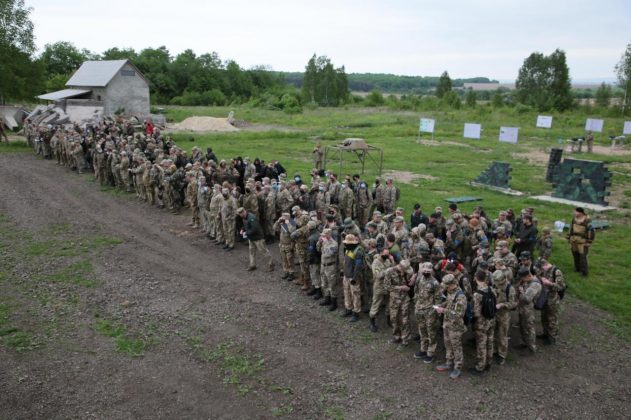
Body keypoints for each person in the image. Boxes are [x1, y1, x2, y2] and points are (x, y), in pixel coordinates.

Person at [435, 274, 467, 379]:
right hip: (447, 323)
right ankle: (448, 362)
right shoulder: (450, 292)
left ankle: (458, 367)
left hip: (456, 326)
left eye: (447, 286)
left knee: (456, 347)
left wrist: (443, 311)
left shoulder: (460, 296)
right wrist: (442, 305)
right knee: (447, 344)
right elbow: (449, 302)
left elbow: (459, 314)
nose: (445, 288)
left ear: (453, 284)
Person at [412, 262, 441, 364]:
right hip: (419, 309)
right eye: (424, 270)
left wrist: (435, 311)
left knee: (431, 332)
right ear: (422, 269)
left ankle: (430, 353)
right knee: (422, 330)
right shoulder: (419, 279)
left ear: (431, 271)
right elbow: (416, 292)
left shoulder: (435, 283)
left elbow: (438, 299)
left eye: (428, 270)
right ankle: (423, 350)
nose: (426, 272)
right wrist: (416, 304)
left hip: (430, 311)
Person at [469, 270, 496, 375]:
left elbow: (475, 312)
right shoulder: (492, 289)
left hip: (481, 323)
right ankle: (489, 363)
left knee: (481, 344)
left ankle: (480, 367)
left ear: (476, 278)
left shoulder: (477, 294)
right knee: (490, 342)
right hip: (491, 320)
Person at [383, 259, 414, 345]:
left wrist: (410, 283)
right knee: (394, 318)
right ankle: (396, 336)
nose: (405, 272)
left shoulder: (407, 271)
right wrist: (400, 288)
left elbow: (410, 282)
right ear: (400, 267)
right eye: (404, 270)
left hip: (405, 298)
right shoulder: (389, 272)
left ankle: (405, 339)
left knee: (405, 319)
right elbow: (386, 286)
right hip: (394, 299)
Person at [536, 259, 566, 345]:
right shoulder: (544, 271)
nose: (541, 271)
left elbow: (560, 287)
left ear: (545, 265)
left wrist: (549, 283)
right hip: (544, 298)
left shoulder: (556, 272)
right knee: (544, 317)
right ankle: (545, 334)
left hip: (552, 300)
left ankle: (552, 338)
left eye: (541, 268)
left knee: (552, 319)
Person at [491, 269, 516, 365]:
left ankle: (502, 355)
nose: (497, 284)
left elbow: (513, 304)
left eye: (498, 282)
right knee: (493, 333)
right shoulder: (494, 283)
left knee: (502, 335)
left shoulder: (510, 288)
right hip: (494, 313)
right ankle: (493, 351)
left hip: (503, 315)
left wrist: (502, 305)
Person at [238, 207, 274, 272]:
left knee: (264, 251)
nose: (240, 215)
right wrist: (242, 229)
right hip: (251, 238)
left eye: (241, 213)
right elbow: (246, 225)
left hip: (258, 238)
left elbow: (255, 229)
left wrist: (246, 233)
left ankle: (270, 264)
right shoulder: (244, 218)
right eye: (239, 214)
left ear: (244, 212)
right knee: (251, 252)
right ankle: (252, 265)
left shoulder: (252, 218)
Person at [517, 267, 542, 353]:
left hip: (528, 310)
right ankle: (525, 342)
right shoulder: (528, 281)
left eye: (523, 278)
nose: (522, 280)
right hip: (523, 309)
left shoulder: (535, 285)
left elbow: (527, 299)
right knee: (522, 326)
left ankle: (531, 347)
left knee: (528, 327)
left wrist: (522, 291)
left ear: (528, 276)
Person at [341, 234, 364, 322]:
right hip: (346, 276)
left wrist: (354, 278)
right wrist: (343, 271)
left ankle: (356, 313)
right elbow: (346, 262)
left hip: (353, 277)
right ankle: (348, 309)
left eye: (347, 243)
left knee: (355, 295)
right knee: (346, 293)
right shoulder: (348, 250)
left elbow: (358, 267)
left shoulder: (358, 252)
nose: (345, 244)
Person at [567, 207, 594, 277]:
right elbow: (571, 228)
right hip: (574, 240)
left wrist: (589, 242)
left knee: (582, 257)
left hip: (582, 241)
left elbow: (590, 231)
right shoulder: (574, 219)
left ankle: (584, 272)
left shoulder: (586, 221)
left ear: (580, 213)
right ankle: (577, 268)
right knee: (575, 255)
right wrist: (569, 237)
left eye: (576, 212)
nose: (574, 213)